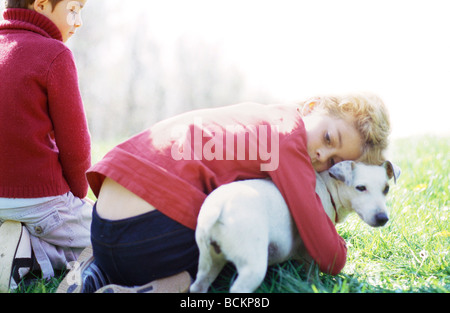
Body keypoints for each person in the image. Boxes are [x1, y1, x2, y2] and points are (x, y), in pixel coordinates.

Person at [59, 93, 391, 293]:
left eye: (333, 161)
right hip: (147, 234)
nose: (320, 156)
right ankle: (152, 287)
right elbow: (326, 251)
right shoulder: (288, 142)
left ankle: (95, 268)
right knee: (219, 246)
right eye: (328, 138)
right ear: (314, 105)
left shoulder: (264, 116)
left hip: (104, 222)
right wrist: (342, 249)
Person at [0, 0, 90, 292]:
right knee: (114, 235)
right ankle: (38, 255)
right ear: (41, 5)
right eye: (74, 9)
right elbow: (75, 148)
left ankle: (17, 245)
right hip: (41, 200)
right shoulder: (54, 54)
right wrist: (78, 199)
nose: (77, 22)